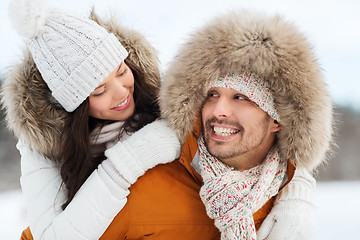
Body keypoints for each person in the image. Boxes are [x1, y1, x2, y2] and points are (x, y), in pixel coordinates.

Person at [1, 0, 180, 239]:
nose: (121, 92)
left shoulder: (170, 108)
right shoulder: (44, 146)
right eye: (99, 91)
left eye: (121, 71)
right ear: (75, 107)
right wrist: (128, 161)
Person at [159, 10, 333, 239]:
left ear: (277, 120)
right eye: (212, 94)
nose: (218, 110)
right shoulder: (151, 184)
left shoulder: (287, 200)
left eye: (241, 98)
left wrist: (298, 191)